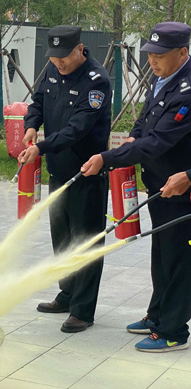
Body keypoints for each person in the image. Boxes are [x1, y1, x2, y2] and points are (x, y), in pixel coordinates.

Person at [82, 21, 191, 353]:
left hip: (183, 189)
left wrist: (107, 157)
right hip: (160, 185)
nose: (152, 60)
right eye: (150, 53)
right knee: (162, 254)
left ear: (182, 53)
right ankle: (157, 314)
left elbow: (158, 141)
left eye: (160, 55)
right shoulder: (161, 78)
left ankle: (173, 330)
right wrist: (131, 137)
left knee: (180, 260)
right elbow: (145, 122)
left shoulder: (188, 90)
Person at [19, 25, 112, 333]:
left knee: (85, 240)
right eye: (54, 56)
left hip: (87, 173)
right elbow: (37, 102)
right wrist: (31, 126)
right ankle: (68, 293)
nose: (59, 62)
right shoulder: (52, 69)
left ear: (80, 49)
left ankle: (83, 310)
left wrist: (41, 147)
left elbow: (77, 129)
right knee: (61, 237)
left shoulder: (97, 82)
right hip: (58, 170)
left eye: (64, 57)